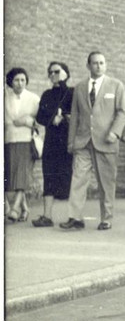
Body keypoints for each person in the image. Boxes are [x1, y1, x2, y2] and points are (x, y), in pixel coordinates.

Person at [62, 51, 125, 230]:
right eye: (95, 63)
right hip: (83, 141)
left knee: (106, 182)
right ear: (88, 66)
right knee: (78, 179)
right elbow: (75, 116)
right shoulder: (80, 87)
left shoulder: (116, 86)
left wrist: (115, 132)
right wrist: (71, 142)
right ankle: (75, 217)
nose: (99, 66)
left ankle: (106, 218)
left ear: (105, 65)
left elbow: (122, 112)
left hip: (106, 142)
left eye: (102, 63)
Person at [32, 61, 74, 227]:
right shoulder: (47, 94)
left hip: (67, 141)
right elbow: (40, 116)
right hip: (51, 141)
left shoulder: (72, 92)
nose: (53, 75)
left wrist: (64, 118)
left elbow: (74, 112)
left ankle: (73, 217)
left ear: (65, 73)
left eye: (57, 72)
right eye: (50, 72)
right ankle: (47, 216)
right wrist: (52, 119)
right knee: (48, 176)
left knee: (68, 177)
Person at [5, 67, 40, 223]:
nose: (19, 83)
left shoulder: (33, 98)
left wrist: (28, 121)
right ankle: (25, 209)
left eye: (23, 80)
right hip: (9, 140)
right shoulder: (5, 97)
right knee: (11, 175)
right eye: (16, 80)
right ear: (10, 82)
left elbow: (40, 121)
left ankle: (14, 209)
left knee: (22, 175)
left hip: (26, 140)